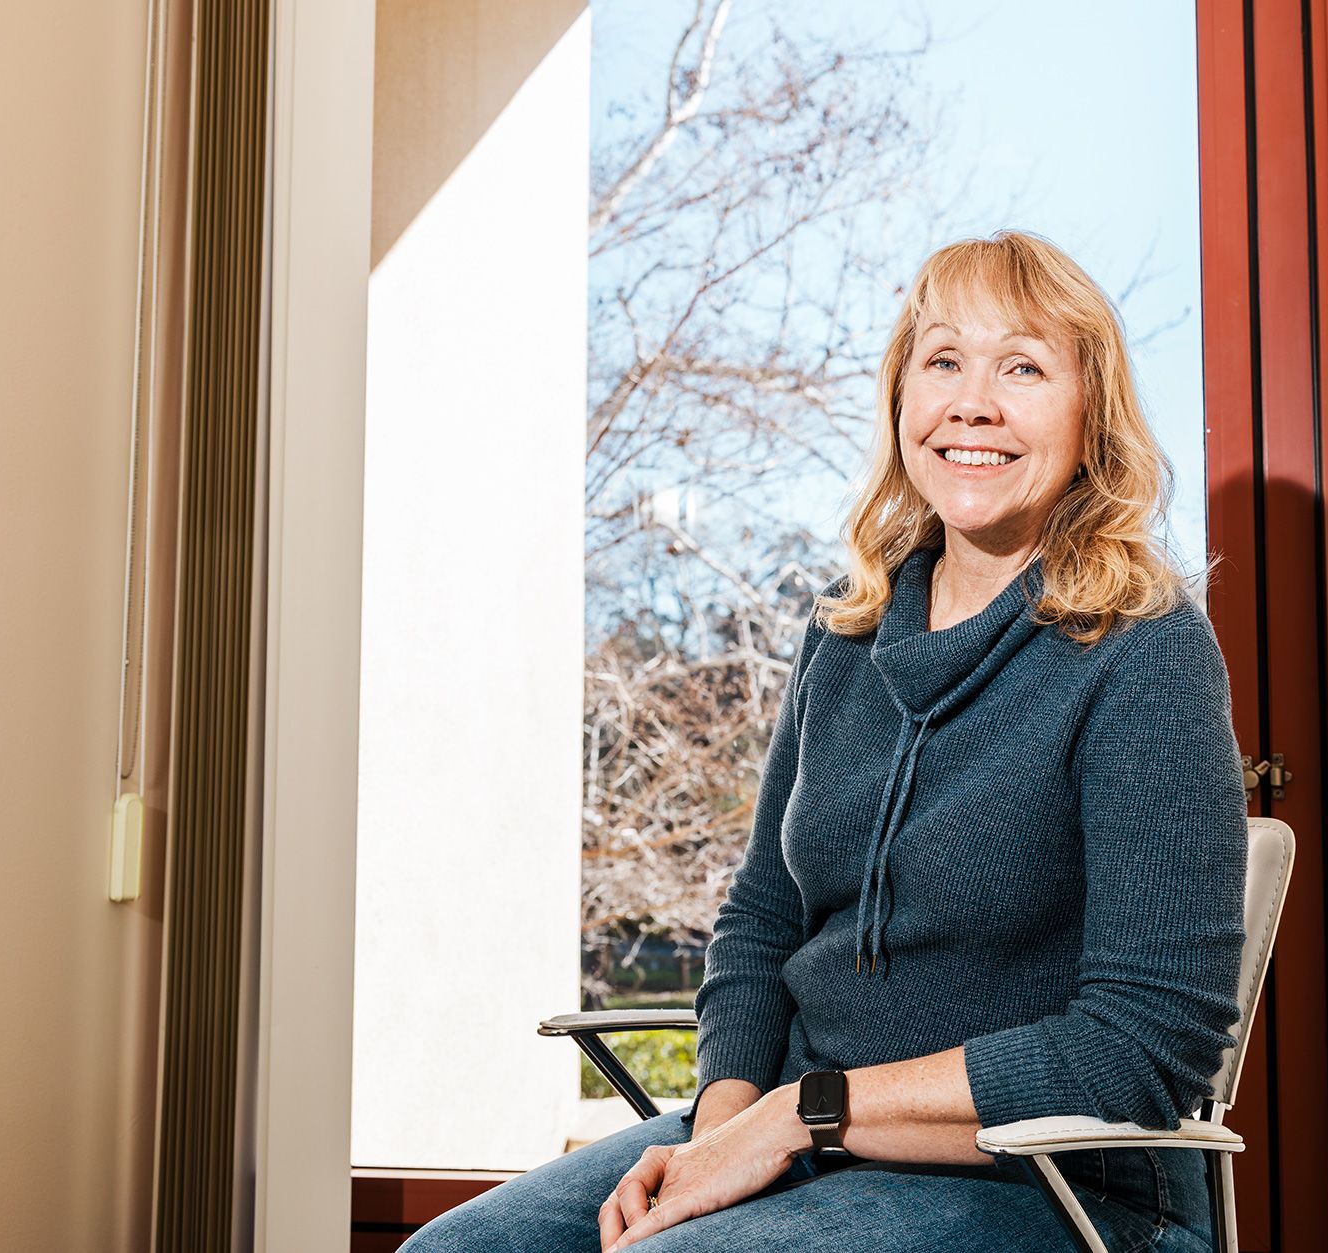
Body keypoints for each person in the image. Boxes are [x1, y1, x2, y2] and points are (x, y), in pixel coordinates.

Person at [404, 230, 1250, 1252]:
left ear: (1091, 417)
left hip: (1057, 1184)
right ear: (902, 400)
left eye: (1022, 367)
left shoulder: (1143, 647)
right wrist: (724, 1123)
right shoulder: (843, 631)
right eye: (942, 361)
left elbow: (1140, 1048)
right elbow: (762, 915)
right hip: (804, 1138)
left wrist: (800, 1113)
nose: (971, 402)